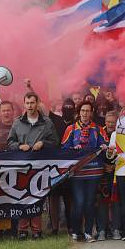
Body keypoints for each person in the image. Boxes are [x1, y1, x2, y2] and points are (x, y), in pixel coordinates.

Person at [8, 92, 58, 239]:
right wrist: (19, 146)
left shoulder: (47, 122)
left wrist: (43, 143)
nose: (30, 106)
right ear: (24, 104)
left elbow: (55, 142)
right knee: (23, 196)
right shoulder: (17, 122)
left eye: (32, 103)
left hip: (40, 166)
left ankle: (37, 230)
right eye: (27, 103)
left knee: (37, 197)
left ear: (37, 103)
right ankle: (22, 230)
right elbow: (9, 143)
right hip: (22, 166)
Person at [61, 101, 107, 242]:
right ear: (78, 112)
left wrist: (104, 147)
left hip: (94, 172)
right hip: (77, 172)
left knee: (89, 202)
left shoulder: (98, 129)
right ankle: (76, 231)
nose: (85, 114)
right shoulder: (71, 129)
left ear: (92, 112)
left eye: (88, 111)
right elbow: (64, 148)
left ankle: (88, 232)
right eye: (83, 111)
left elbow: (105, 145)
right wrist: (72, 150)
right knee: (79, 202)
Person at [49, 98, 76, 236]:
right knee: (53, 197)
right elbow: (44, 108)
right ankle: (54, 228)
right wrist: (31, 87)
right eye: (66, 107)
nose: (68, 110)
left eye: (71, 108)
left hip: (71, 165)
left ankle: (71, 226)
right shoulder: (56, 120)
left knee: (69, 197)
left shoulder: (77, 124)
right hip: (55, 164)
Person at [96, 110, 118, 240]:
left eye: (113, 123)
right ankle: (102, 230)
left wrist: (114, 166)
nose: (110, 125)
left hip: (118, 171)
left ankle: (116, 229)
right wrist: (104, 165)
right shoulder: (99, 133)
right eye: (108, 122)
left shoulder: (120, 134)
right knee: (102, 202)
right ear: (105, 121)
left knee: (116, 201)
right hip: (102, 172)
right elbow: (95, 151)